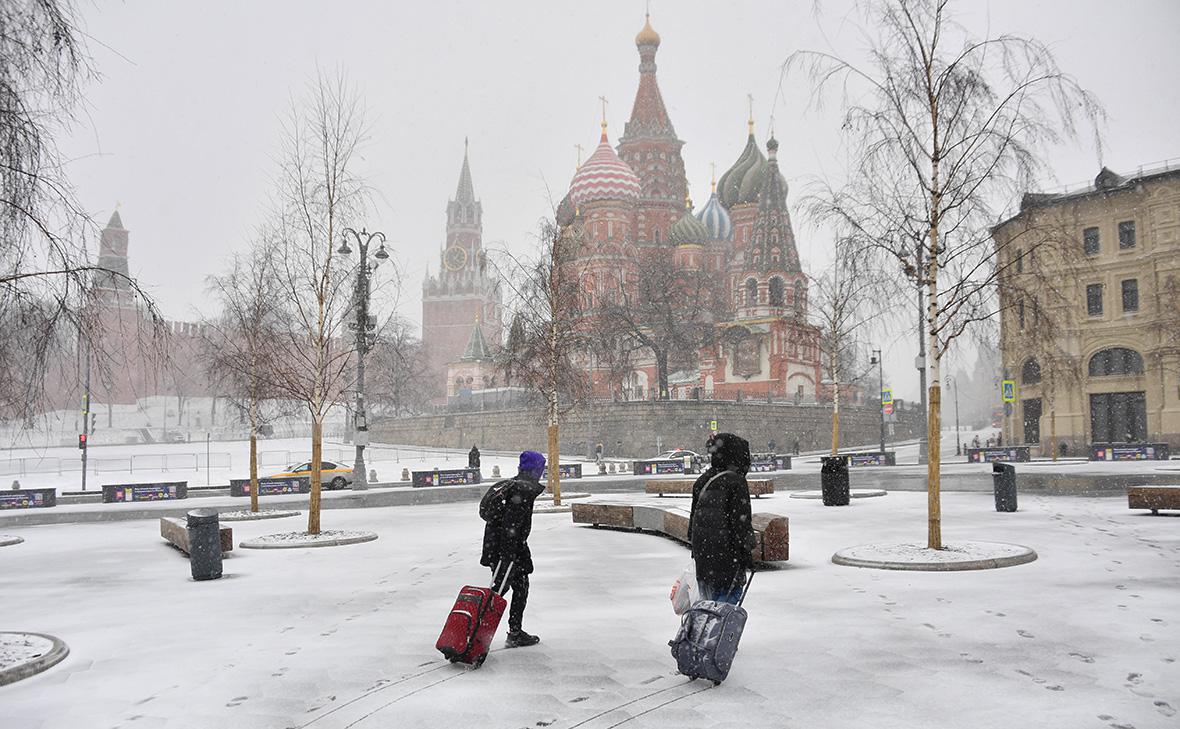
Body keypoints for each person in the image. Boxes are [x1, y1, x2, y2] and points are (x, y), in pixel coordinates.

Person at [480, 450, 547, 647]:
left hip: (506, 548)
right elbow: (511, 526)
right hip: (506, 551)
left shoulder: (513, 485)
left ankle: (514, 632)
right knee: (498, 591)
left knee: (520, 586)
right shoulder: (522, 490)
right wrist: (508, 557)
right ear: (535, 470)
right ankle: (476, 636)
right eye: (540, 469)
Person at [687, 432, 755, 604]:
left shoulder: (702, 481)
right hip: (728, 562)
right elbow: (741, 525)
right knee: (724, 613)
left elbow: (692, 526)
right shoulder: (736, 483)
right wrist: (747, 553)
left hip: (704, 563)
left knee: (707, 612)